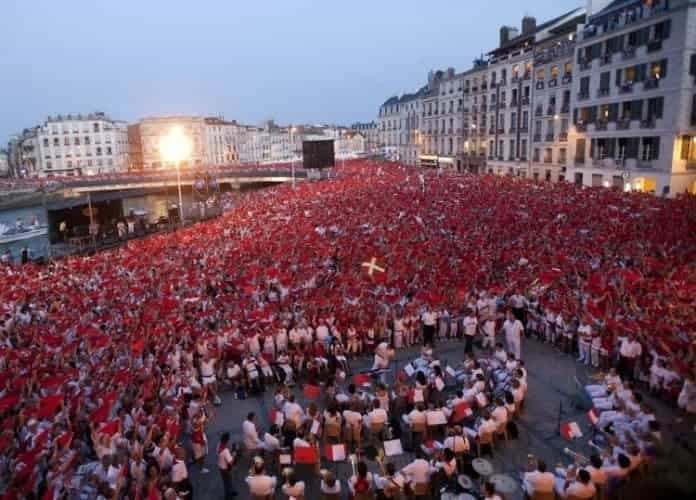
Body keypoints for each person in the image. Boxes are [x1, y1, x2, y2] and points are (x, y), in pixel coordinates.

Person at [217, 432, 238, 499]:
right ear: (227, 440)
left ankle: (232, 491)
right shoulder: (225, 451)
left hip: (221, 466)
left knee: (227, 482)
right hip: (226, 468)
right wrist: (234, 455)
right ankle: (228, 496)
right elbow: (231, 462)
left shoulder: (219, 445)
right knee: (227, 483)